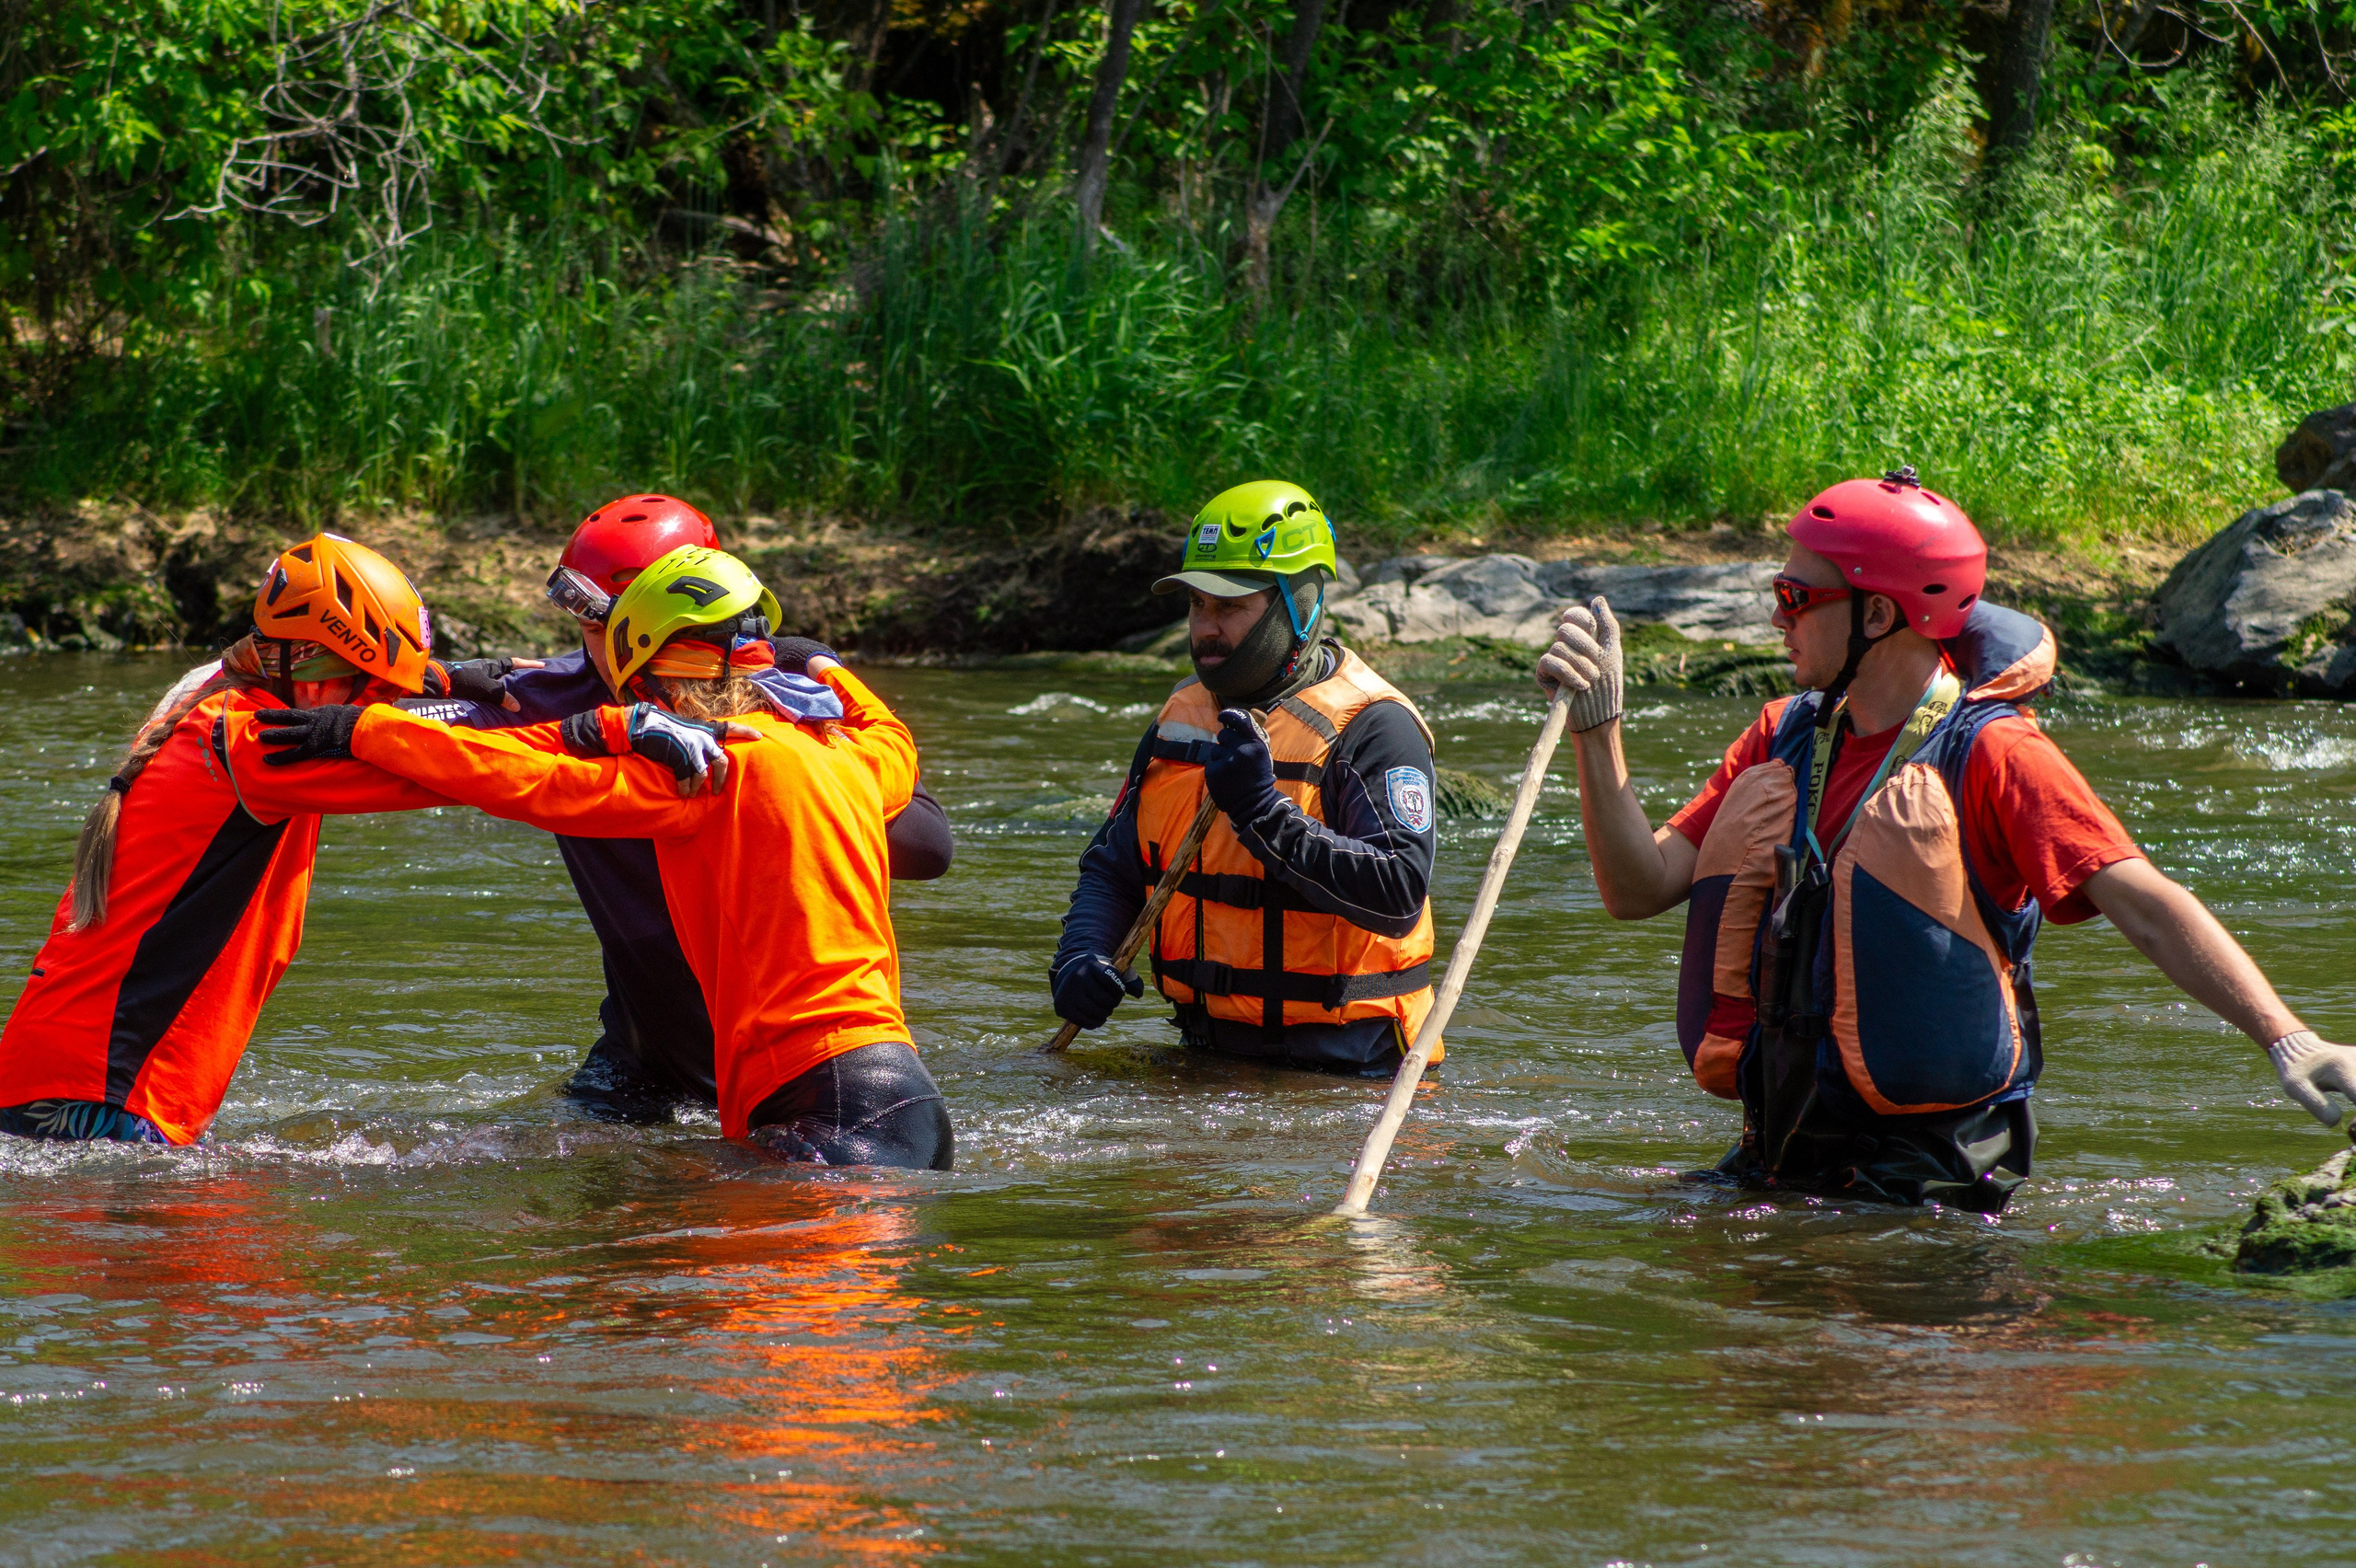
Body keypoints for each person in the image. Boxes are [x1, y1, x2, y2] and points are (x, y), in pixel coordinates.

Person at [1537, 467, 2356, 1210]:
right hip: (1789, 1152)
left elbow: (2144, 903)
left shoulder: (1994, 751)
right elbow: (1638, 888)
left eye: (1795, 597)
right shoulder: (1784, 735)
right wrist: (1597, 727)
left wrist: (2290, 1039)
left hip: (1931, 1177)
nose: (1774, 616)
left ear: (1879, 614)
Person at [259, 545, 952, 1170]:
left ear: (647, 683)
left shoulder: (701, 772)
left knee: (648, 1247)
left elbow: (518, 775)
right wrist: (822, 660)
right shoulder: (852, 756)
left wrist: (366, 730)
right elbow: (890, 730)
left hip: (824, 1107)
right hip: (902, 1104)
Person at [411, 493, 953, 1120]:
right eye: (582, 624)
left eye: (604, 623)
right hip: (649, 1055)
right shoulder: (541, 697)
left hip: (791, 1061)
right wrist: (419, 680)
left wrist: (774, 788)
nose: (595, 647)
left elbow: (929, 844)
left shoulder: (771, 715)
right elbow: (421, 739)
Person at [0, 536, 462, 1144]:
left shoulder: (216, 689)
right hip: (105, 1096)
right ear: (320, 680)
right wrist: (597, 730)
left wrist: (477, 681)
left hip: (73, 1075)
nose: (386, 708)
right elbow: (464, 770)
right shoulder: (257, 742)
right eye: (376, 690)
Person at [1051, 480, 1440, 1075]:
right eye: (1197, 606)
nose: (1207, 628)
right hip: (1206, 1061)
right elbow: (1114, 867)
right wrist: (1082, 954)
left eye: (1230, 607)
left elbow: (1397, 895)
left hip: (1349, 1077)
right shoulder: (1178, 723)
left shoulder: (1374, 727)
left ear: (1299, 604)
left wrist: (1263, 812)